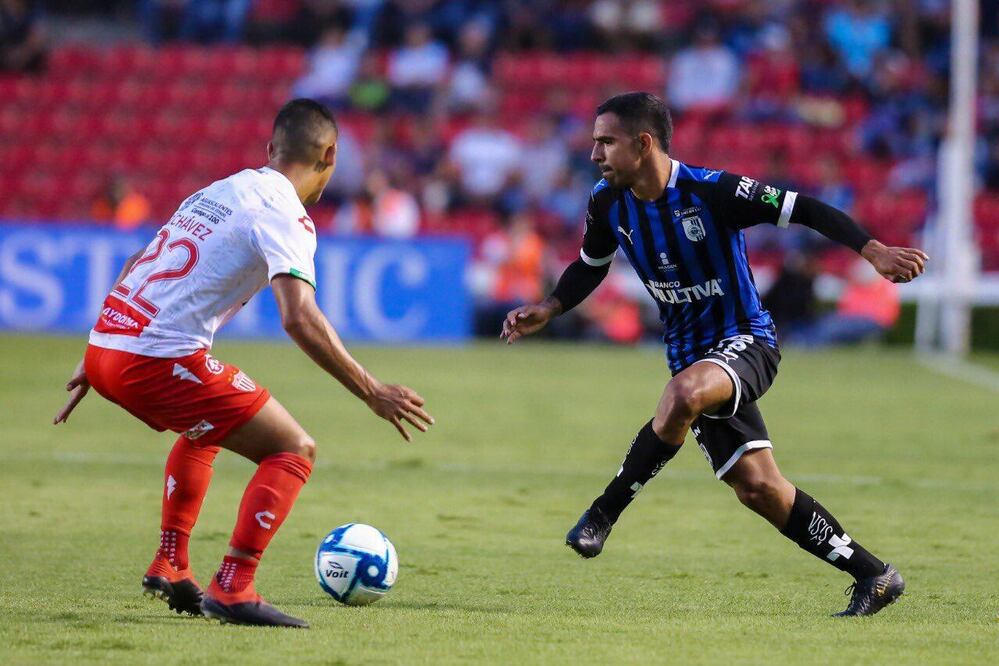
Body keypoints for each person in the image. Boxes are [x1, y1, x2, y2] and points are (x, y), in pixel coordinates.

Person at [501, 92, 927, 617]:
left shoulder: (714, 191)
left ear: (643, 143)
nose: (594, 154)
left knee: (684, 394)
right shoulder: (606, 203)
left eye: (605, 142)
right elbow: (591, 264)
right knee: (759, 488)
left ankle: (601, 515)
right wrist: (550, 306)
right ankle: (875, 575)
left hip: (747, 340)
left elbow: (805, 208)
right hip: (690, 355)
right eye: (594, 143)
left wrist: (874, 250)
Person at [53, 99, 434, 628]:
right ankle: (234, 586)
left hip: (108, 346)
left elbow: (135, 262)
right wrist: (371, 390)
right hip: (153, 358)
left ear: (270, 150)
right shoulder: (286, 216)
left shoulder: (220, 189)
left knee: (204, 429)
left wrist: (97, 349)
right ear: (330, 154)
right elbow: (299, 318)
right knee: (293, 449)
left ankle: (171, 561)